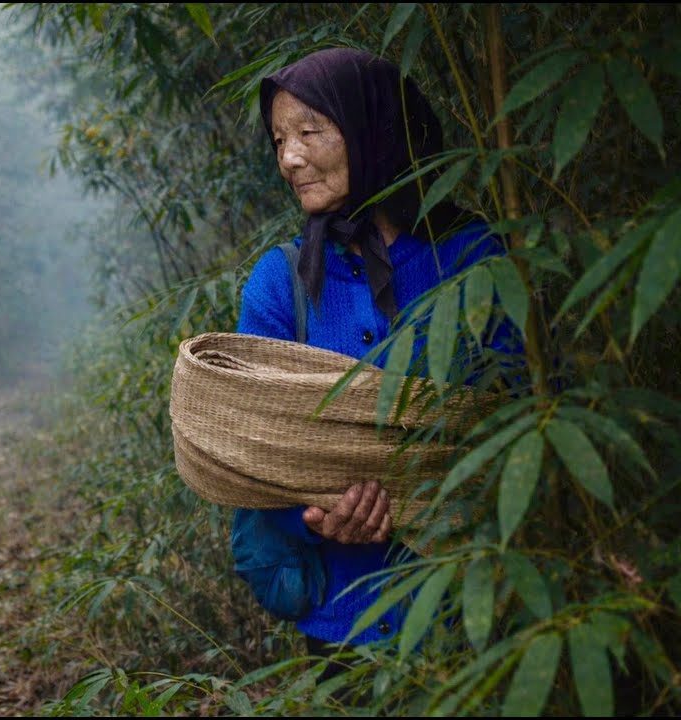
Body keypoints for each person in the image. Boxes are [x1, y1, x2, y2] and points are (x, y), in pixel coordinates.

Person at [230, 47, 518, 682]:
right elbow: (250, 451)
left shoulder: (473, 258)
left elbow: (519, 420)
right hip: (343, 626)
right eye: (279, 139)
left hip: (471, 615)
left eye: (310, 131)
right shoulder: (281, 283)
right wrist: (315, 515)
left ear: (372, 124)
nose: (289, 158)